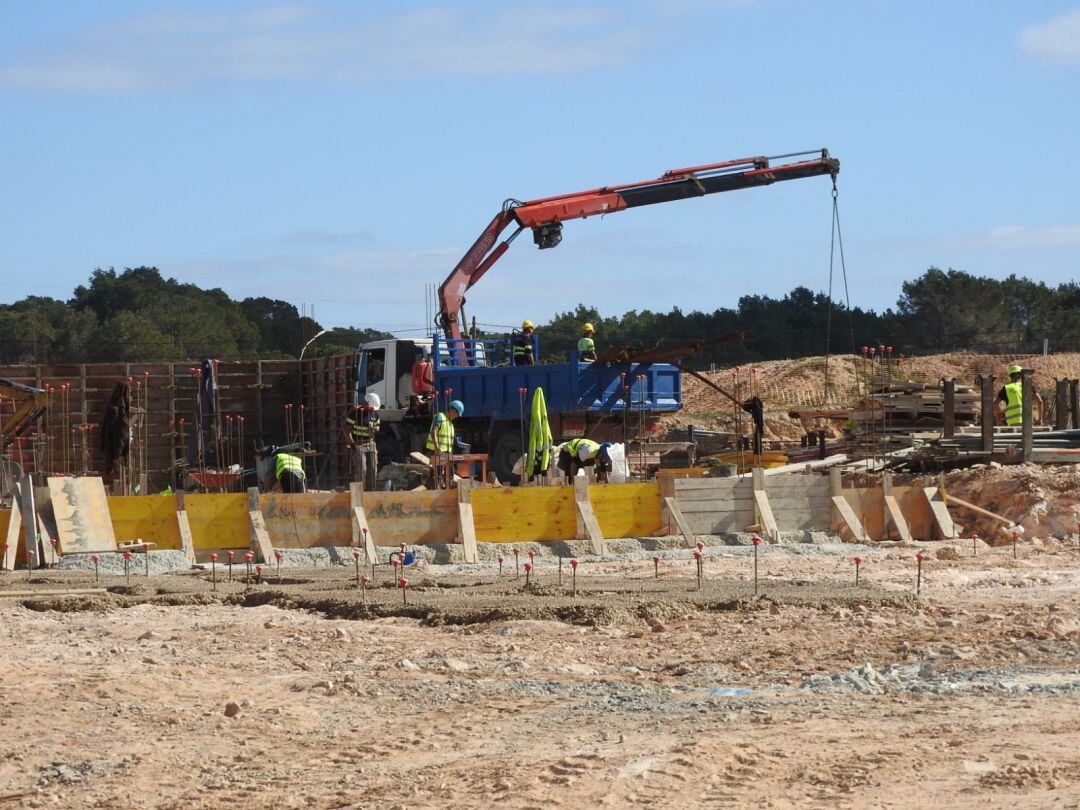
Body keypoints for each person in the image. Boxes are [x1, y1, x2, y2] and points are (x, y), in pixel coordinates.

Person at [345, 393, 381, 490]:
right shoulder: (355, 413)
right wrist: (352, 444)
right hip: (359, 444)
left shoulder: (375, 413)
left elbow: (378, 424)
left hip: (371, 443)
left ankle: (371, 490)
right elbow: (346, 430)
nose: (373, 409)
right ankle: (360, 491)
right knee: (361, 469)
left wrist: (376, 429)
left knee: (373, 469)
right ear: (367, 403)